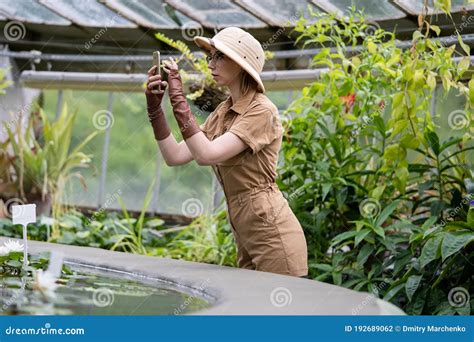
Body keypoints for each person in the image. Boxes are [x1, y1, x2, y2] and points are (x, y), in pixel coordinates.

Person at [144, 27, 308, 278]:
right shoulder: (223, 112)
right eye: (211, 56)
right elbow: (174, 156)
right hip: (245, 232)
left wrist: (178, 97)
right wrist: (155, 109)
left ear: (242, 64)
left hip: (273, 232)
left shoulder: (262, 111)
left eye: (219, 56)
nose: (211, 63)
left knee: (281, 315)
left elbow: (206, 155)